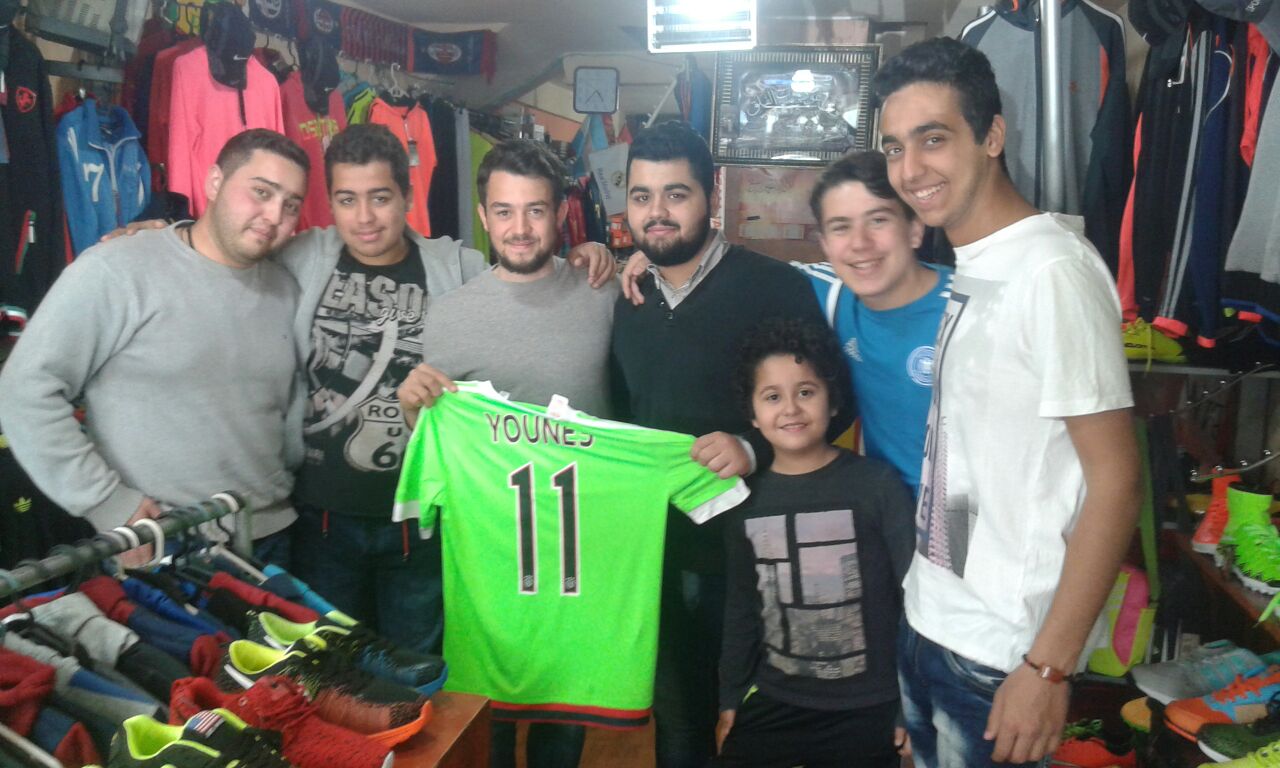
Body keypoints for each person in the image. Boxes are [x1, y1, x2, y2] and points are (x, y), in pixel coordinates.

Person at [874, 37, 1141, 766]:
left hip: (1000, 658)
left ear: (992, 135)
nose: (910, 169)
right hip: (934, 624)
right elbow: (973, 462)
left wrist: (1048, 668)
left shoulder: (1051, 271)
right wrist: (931, 600)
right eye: (895, 147)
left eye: (933, 139)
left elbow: (1117, 482)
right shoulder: (977, 263)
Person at [608, 120, 839, 768]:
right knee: (679, 723)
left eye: (676, 194)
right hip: (656, 553)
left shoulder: (774, 287)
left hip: (755, 554)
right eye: (642, 196)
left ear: (711, 193)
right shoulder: (627, 298)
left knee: (760, 726)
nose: (657, 211)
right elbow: (619, 410)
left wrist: (753, 447)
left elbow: (835, 397)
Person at [396, 138, 620, 768]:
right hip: (486, 551)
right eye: (503, 211)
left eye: (535, 210)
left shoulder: (601, 293)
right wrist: (413, 410)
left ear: (561, 214)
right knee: (484, 710)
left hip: (581, 543)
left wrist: (607, 254)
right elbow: (435, 441)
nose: (519, 228)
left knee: (561, 712)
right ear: (483, 215)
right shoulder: (450, 316)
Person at [0, 129, 309, 564]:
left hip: (274, 532)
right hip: (161, 540)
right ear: (215, 182)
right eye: (261, 192)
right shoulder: (118, 269)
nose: (274, 215)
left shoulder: (287, 288)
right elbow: (24, 389)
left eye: (291, 205)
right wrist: (107, 503)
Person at [622, 149, 949, 495]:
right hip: (892, 507)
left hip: (969, 515)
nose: (860, 243)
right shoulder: (828, 290)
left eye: (878, 220)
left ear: (915, 228)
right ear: (825, 244)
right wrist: (656, 248)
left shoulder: (966, 312)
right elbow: (744, 273)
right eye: (841, 227)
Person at [715, 318, 914, 768]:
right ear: (752, 415)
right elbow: (741, 607)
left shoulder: (876, 485)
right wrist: (730, 698)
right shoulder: (743, 501)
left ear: (833, 399)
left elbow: (913, 600)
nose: (791, 409)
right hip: (778, 699)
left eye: (806, 391)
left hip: (870, 704)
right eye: (772, 397)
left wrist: (910, 703)